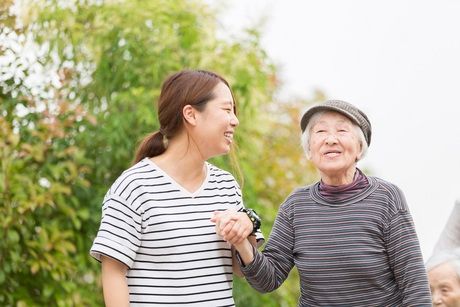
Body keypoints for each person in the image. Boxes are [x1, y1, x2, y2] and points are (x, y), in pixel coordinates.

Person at [213, 99, 432, 306]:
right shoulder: (295, 207)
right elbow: (268, 280)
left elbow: (414, 285)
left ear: (359, 148)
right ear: (309, 150)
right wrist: (241, 242)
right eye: (320, 131)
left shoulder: (386, 198)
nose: (330, 139)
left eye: (342, 130)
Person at [90, 69, 262, 306]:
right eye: (227, 109)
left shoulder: (226, 186)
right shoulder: (134, 186)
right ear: (191, 114)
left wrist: (246, 231)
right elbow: (113, 273)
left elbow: (241, 270)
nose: (235, 120)